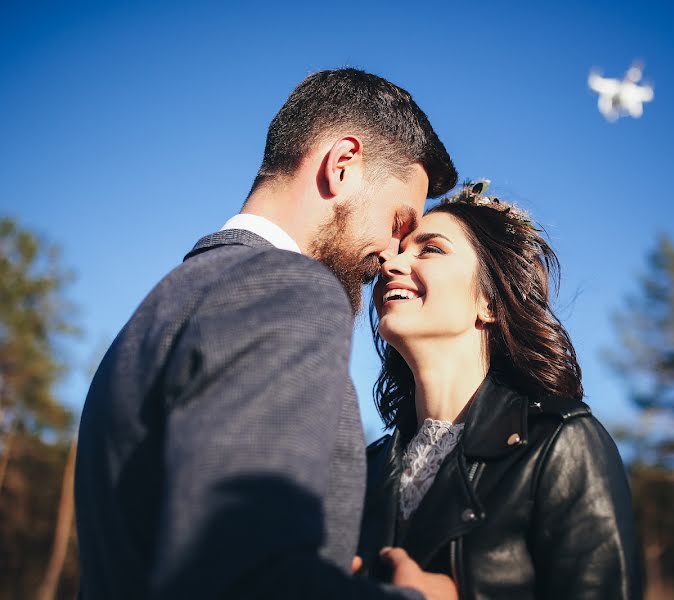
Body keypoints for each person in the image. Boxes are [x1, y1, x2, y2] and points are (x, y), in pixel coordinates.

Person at [75, 68, 460, 599]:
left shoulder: (160, 310)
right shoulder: (287, 288)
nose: (395, 255)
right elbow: (246, 578)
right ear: (342, 164)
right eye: (399, 223)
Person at [357, 182, 640, 599]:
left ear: (489, 302)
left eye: (430, 249)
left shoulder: (560, 444)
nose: (391, 266)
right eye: (398, 251)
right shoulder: (365, 467)